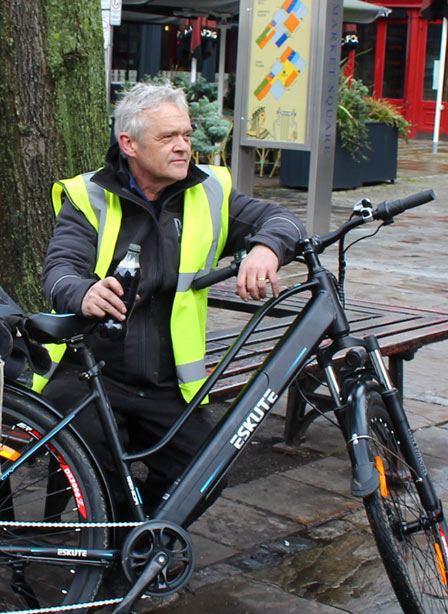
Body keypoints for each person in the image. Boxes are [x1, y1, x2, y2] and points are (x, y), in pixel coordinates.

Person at [39, 82, 306, 513]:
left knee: (207, 473)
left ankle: (139, 534)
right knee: (99, 477)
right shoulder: (89, 196)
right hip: (89, 372)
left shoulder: (209, 192)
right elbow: (58, 272)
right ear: (129, 144)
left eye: (186, 134)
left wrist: (266, 247)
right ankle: (117, 550)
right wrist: (84, 291)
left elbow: (284, 220)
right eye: (168, 138)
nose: (183, 147)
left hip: (167, 382)